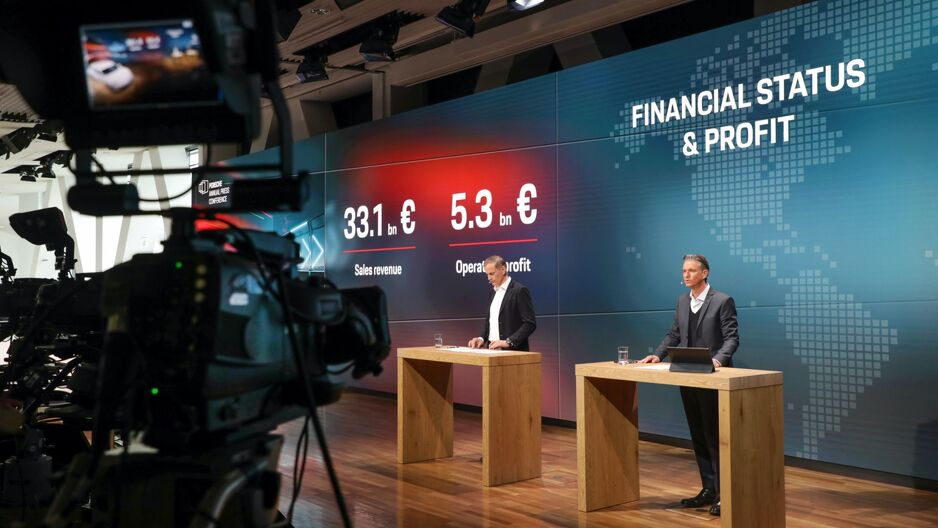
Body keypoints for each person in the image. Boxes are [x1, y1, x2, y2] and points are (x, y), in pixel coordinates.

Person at [638, 254, 739, 517]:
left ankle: (724, 494)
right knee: (698, 433)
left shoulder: (722, 300)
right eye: (684, 270)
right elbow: (674, 334)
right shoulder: (682, 301)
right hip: (686, 374)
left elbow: (732, 338)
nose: (686, 275)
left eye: (692, 271)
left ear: (705, 273)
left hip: (713, 376)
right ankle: (708, 489)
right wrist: (657, 355)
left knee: (715, 435)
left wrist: (718, 359)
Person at [467, 255, 536, 351]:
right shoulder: (493, 292)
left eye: (491, 274)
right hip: (491, 351)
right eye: (487, 274)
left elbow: (530, 324)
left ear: (503, 270)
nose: (488, 278)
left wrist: (508, 342)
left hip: (513, 353)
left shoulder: (519, 290)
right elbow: (490, 322)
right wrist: (481, 339)